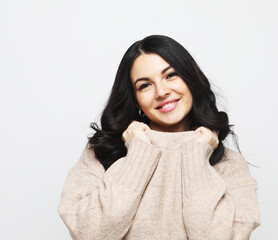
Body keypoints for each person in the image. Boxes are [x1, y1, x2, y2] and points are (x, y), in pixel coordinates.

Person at [58, 35, 260, 240]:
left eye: (171, 75)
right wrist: (138, 154)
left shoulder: (229, 165)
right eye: (145, 85)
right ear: (135, 100)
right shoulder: (103, 152)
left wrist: (196, 154)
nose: (162, 92)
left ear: (191, 79)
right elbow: (91, 235)